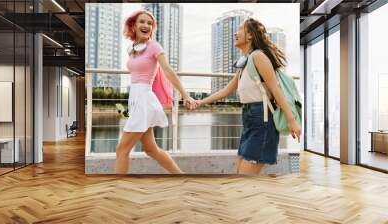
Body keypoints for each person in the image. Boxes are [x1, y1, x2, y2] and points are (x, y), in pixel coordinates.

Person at [193, 18, 301, 175]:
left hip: (262, 120)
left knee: (245, 176)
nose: (235, 33)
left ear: (250, 35)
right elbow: (225, 91)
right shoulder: (246, 63)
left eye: (240, 29)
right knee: (240, 172)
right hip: (249, 118)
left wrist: (292, 121)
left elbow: (276, 90)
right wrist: (199, 102)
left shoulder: (258, 56)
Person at [115, 10, 196, 174]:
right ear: (134, 25)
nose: (146, 26)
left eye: (149, 23)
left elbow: (168, 71)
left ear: (152, 28)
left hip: (144, 99)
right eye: (142, 22)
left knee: (121, 150)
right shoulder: (132, 48)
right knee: (151, 150)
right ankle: (181, 176)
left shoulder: (154, 46)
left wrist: (185, 95)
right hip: (136, 99)